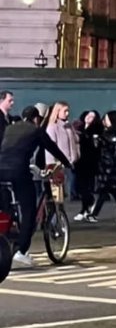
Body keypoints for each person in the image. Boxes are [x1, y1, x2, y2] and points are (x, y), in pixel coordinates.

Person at [0, 104, 71, 267]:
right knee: (29, 210)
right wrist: (67, 163)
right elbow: (52, 147)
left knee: (8, 206)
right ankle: (21, 251)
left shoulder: (10, 128)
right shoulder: (36, 130)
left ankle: (10, 231)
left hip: (1, 170)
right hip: (19, 171)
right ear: (36, 118)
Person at [89, 111, 116, 223]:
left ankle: (94, 213)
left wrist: (98, 141)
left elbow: (105, 149)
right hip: (111, 166)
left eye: (106, 119)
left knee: (106, 191)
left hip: (107, 167)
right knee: (113, 191)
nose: (104, 121)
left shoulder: (108, 135)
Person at [45, 102, 79, 201]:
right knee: (58, 194)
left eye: (68, 111)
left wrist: (76, 154)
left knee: (67, 190)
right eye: (65, 111)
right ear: (57, 111)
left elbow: (75, 141)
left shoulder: (69, 126)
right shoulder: (52, 127)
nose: (67, 113)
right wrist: (51, 165)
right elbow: (50, 147)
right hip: (58, 164)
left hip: (70, 162)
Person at [73, 111, 102, 220]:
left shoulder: (96, 130)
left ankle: (85, 208)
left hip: (90, 162)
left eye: (92, 116)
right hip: (79, 161)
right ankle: (87, 206)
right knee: (79, 187)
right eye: (88, 115)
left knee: (86, 187)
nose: (89, 117)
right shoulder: (79, 128)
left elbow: (96, 148)